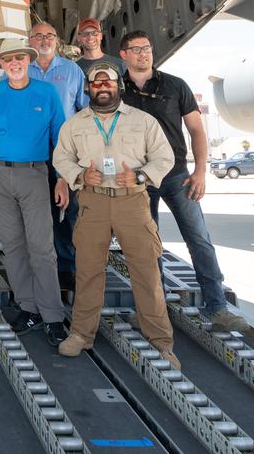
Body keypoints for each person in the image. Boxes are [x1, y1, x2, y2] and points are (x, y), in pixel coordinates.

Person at [119, 29, 248, 332]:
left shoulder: (176, 86)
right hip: (138, 178)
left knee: (198, 239)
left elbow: (197, 131)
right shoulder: (117, 90)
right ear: (123, 55)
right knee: (146, 245)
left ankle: (217, 307)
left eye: (147, 48)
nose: (143, 53)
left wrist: (200, 171)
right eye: (136, 49)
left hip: (177, 174)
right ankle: (153, 308)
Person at [52, 63, 180, 368]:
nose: (102, 87)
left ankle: (161, 342)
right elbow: (61, 157)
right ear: (88, 89)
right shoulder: (75, 124)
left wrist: (140, 177)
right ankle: (81, 334)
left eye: (107, 82)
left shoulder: (143, 121)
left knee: (146, 273)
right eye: (96, 84)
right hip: (93, 202)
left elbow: (164, 156)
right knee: (88, 272)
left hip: (132, 202)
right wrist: (81, 175)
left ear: (117, 86)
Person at [0, 38, 69, 344]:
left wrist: (63, 179)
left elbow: (61, 140)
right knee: (13, 246)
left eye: (19, 58)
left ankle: (53, 314)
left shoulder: (46, 93)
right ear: (1, 65)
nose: (14, 63)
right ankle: (29, 308)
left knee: (42, 248)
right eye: (8, 60)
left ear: (28, 60)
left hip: (35, 174)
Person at [28, 21, 88, 286]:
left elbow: (85, 111)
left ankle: (66, 268)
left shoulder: (72, 70)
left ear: (57, 40)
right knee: (34, 211)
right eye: (38, 36)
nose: (44, 40)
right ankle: (38, 267)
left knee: (66, 210)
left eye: (49, 36)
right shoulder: (21, 68)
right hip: (30, 149)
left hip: (64, 149)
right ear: (30, 40)